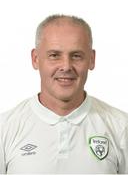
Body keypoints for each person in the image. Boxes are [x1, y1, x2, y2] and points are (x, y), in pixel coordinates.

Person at [0, 14, 128, 174]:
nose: (66, 66)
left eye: (76, 56)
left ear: (92, 59)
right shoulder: (4, 129)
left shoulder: (122, 128)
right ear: (35, 59)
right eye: (54, 55)